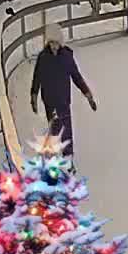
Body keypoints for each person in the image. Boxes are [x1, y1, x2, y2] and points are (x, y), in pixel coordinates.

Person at [27, 23, 98, 156]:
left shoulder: (67, 57)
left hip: (63, 101)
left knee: (66, 131)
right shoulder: (43, 58)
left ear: (60, 42)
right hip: (49, 102)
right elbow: (37, 78)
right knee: (55, 130)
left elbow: (76, 77)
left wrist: (88, 94)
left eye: (56, 43)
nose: (54, 46)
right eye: (51, 43)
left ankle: (68, 157)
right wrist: (34, 96)